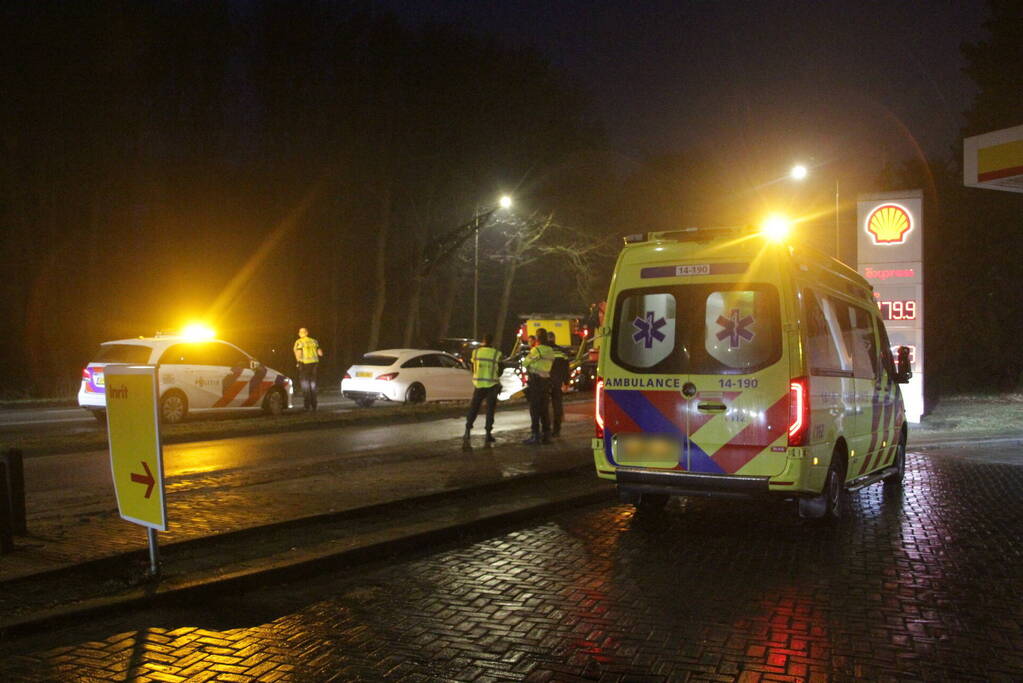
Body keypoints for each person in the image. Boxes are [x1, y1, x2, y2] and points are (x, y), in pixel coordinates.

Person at [463, 334, 503, 447]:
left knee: (474, 408)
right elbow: (500, 370)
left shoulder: (476, 352)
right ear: (492, 341)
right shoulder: (496, 353)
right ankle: (488, 434)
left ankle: (467, 431)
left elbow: (473, 366)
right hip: (492, 385)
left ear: (483, 341)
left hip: (479, 384)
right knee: (490, 410)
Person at [522, 328, 557, 445]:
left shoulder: (537, 350)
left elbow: (525, 362)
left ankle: (535, 435)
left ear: (537, 338)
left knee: (534, 409)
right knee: (544, 409)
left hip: (536, 382)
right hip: (545, 382)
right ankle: (546, 435)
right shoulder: (550, 350)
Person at [293, 327, 323, 411]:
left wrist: (299, 362)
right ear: (307, 333)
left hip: (304, 365)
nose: (299, 333)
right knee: (313, 385)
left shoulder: (299, 342)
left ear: (301, 333)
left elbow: (299, 353)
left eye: (300, 332)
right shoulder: (314, 341)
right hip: (315, 365)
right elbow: (320, 353)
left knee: (305, 385)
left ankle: (307, 406)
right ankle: (314, 405)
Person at [547, 335, 569, 437]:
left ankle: (546, 429)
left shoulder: (543, 350)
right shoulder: (562, 352)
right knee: (557, 406)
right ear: (555, 339)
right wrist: (566, 382)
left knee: (545, 406)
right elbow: (566, 369)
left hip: (545, 382)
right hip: (557, 382)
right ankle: (556, 429)